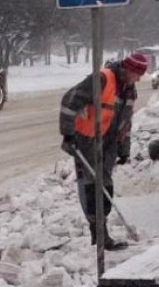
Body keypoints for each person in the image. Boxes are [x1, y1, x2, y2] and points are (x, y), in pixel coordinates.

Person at [58, 51, 149, 250]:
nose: (139, 79)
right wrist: (69, 134)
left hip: (109, 144)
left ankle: (102, 233)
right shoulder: (102, 79)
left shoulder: (130, 91)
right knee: (92, 187)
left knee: (106, 187)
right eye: (137, 74)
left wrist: (124, 148)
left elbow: (126, 122)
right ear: (128, 69)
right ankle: (99, 235)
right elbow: (69, 101)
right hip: (87, 141)